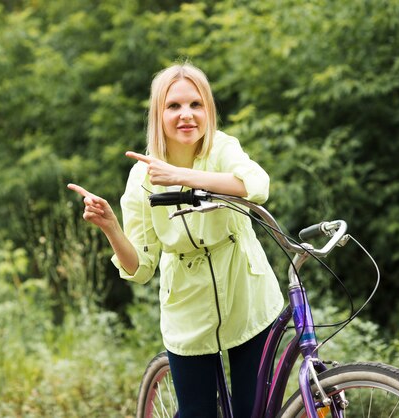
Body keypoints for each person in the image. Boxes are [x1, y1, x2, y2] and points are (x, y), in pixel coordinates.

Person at [68, 62, 283, 418]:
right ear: (158, 114)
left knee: (254, 412)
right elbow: (140, 268)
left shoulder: (222, 149)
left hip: (248, 297)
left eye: (196, 105)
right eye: (174, 106)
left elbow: (258, 186)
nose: (187, 115)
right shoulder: (141, 177)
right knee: (196, 412)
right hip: (188, 305)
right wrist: (110, 227)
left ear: (208, 110)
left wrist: (181, 176)